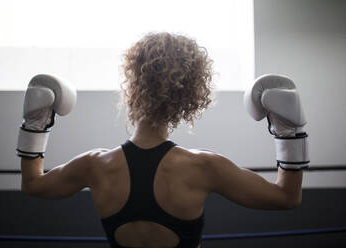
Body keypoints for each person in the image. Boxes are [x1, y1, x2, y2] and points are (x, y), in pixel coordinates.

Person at [16, 32, 309, 248]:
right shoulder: (204, 167)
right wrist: (286, 131)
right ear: (190, 94)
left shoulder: (96, 165)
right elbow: (286, 197)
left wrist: (37, 124)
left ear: (132, 86)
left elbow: (33, 184)